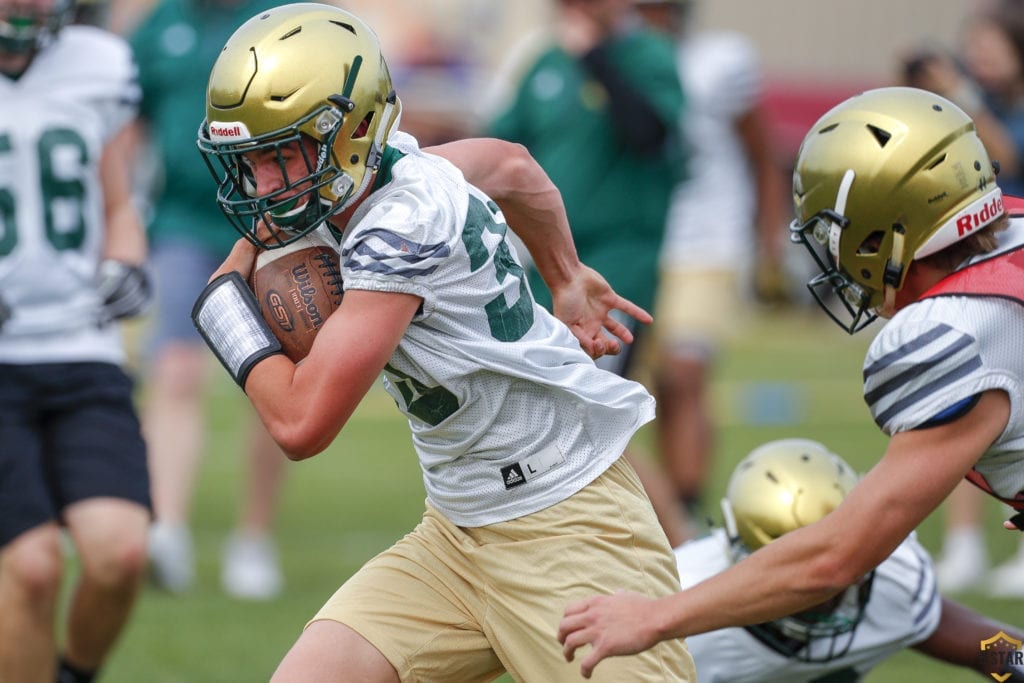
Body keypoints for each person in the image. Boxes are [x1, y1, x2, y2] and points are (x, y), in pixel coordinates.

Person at [190, 4, 693, 681]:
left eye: (284, 153)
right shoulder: (392, 165)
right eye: (253, 158)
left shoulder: (399, 227)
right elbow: (511, 166)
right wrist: (565, 275)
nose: (266, 182)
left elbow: (301, 422)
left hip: (568, 526)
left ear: (354, 130)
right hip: (458, 534)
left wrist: (225, 304)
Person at [557, 86, 1024, 678]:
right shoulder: (1011, 231)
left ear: (880, 234)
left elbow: (835, 560)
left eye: (837, 230)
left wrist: (657, 617)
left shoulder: (950, 333)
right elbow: (1000, 653)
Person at [485, 0, 692, 546]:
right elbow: (501, 148)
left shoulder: (648, 54)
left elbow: (649, 132)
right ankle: (654, 541)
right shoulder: (546, 63)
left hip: (616, 263)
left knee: (586, 412)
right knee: (544, 415)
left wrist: (597, 58)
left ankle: (680, 543)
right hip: (545, 269)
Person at [0, 0, 152, 679]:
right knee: (31, 567)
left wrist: (126, 261)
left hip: (82, 346)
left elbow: (116, 205)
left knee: (120, 555)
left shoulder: (99, 63)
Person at [127, 0, 286, 600]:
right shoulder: (162, 25)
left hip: (277, 221)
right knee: (174, 370)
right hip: (182, 224)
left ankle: (254, 537)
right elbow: (126, 120)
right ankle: (166, 527)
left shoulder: (281, 17)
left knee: (275, 381)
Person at [676, 438, 1024, 681]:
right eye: (800, 576)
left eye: (843, 559)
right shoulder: (677, 607)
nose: (825, 587)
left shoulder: (893, 580)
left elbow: (992, 651)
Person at [631, 0, 788, 524]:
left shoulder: (721, 61)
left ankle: (691, 511)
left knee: (685, 372)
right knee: (645, 390)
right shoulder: (617, 59)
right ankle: (674, 512)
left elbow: (760, 154)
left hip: (707, 239)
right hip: (637, 240)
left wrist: (770, 243)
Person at [900, 0, 1024, 595]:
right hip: (978, 274)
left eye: (991, 49)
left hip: (1015, 276)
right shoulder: (986, 101)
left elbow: (1009, 154)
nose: (977, 60)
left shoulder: (1005, 110)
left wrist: (959, 93)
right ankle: (965, 545)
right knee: (955, 404)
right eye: (971, 47)